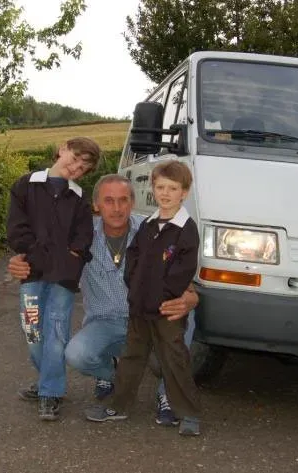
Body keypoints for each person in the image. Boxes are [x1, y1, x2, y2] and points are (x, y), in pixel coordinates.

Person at [8, 173, 198, 426]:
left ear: (133, 202)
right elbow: (44, 257)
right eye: (109, 201)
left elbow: (184, 273)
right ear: (96, 205)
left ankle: (167, 396)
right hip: (105, 323)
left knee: (185, 315)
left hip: (147, 318)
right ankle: (115, 375)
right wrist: (18, 263)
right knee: (76, 354)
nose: (117, 208)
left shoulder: (155, 229)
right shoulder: (80, 237)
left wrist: (190, 297)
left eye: (123, 200)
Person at [85, 160, 202, 436]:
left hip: (165, 309)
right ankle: (118, 405)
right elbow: (133, 259)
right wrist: (135, 287)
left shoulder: (185, 229)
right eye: (160, 187)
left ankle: (188, 413)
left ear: (184, 192)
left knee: (174, 359)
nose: (165, 193)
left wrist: (162, 296)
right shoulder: (148, 225)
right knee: (131, 357)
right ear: (152, 189)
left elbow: (183, 270)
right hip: (139, 308)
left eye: (172, 188)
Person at [6, 136, 101, 421]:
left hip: (64, 278)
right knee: (33, 331)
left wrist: (71, 257)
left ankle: (51, 393)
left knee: (57, 333)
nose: (75, 168)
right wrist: (34, 255)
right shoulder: (25, 185)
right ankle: (48, 378)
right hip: (32, 273)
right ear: (62, 150)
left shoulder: (79, 198)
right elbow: (17, 229)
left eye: (83, 168)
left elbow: (83, 238)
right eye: (74, 159)